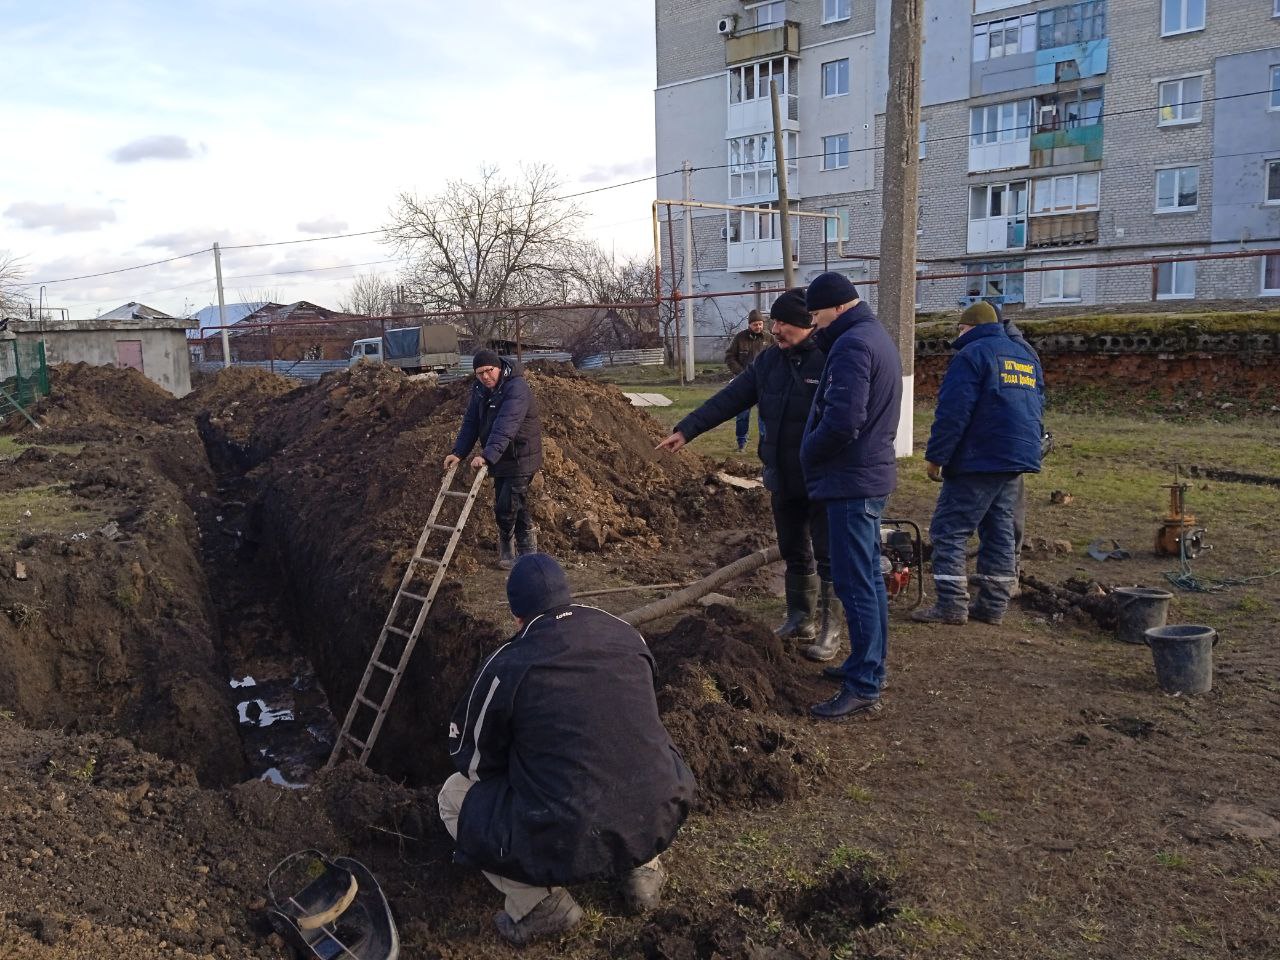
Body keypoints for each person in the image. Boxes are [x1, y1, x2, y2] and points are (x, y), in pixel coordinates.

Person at [438, 553, 696, 946]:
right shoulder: (625, 632)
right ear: (567, 594)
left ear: (516, 615)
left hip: (567, 830)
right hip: (660, 807)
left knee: (453, 797)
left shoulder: (509, 663)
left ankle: (539, 904)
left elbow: (474, 760)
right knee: (636, 750)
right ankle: (641, 869)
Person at [656, 290, 841, 657]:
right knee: (793, 549)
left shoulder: (830, 359)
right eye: (773, 323)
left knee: (828, 554)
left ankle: (829, 631)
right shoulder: (769, 362)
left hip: (822, 477)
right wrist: (687, 429)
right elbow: (730, 398)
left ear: (805, 325)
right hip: (781, 474)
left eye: (782, 324)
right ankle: (800, 618)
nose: (774, 330)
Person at [800, 272, 902, 721]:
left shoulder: (853, 345)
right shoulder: (871, 335)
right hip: (864, 477)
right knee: (868, 580)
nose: (814, 322)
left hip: (850, 482)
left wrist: (809, 451)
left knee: (855, 582)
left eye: (817, 313)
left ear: (838, 306)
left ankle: (864, 685)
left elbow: (843, 421)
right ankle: (864, 666)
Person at [912, 300, 1044, 626]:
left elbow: (953, 412)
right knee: (999, 531)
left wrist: (936, 457)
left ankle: (951, 604)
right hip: (1017, 456)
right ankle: (993, 606)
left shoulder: (971, 355)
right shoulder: (1024, 355)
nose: (958, 334)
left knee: (949, 530)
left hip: (979, 457)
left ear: (968, 327)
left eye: (960, 328)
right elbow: (1037, 402)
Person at [444, 349, 543, 569]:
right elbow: (471, 421)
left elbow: (506, 425)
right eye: (479, 373)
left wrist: (487, 456)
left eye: (489, 371)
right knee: (514, 503)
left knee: (507, 506)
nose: (485, 377)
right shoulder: (480, 389)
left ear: (498, 367)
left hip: (520, 455)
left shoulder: (517, 388)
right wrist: (458, 452)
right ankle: (522, 553)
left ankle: (521, 553)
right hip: (500, 457)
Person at [724, 309, 773, 452]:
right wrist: (741, 373)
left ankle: (765, 444)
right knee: (742, 415)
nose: (758, 327)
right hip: (744, 383)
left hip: (764, 383)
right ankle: (741, 443)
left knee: (764, 415)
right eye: (755, 324)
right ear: (749, 325)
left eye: (760, 324)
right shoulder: (740, 338)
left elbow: (778, 356)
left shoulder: (769, 339)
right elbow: (729, 357)